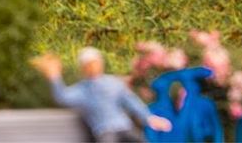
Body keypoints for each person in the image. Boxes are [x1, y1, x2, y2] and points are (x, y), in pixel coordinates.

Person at [34, 48, 172, 142]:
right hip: (105, 132)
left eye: (95, 63)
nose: (93, 67)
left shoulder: (113, 82)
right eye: (89, 64)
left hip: (124, 127)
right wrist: (54, 76)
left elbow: (131, 102)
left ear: (101, 64)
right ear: (83, 68)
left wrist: (149, 118)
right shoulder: (82, 90)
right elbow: (63, 97)